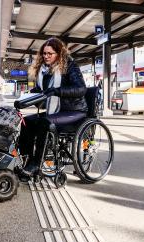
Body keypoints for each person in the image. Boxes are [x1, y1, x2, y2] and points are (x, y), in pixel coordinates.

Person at [14, 37, 88, 176]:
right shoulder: (45, 70)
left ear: (59, 54)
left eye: (50, 53)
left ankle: (36, 165)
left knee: (44, 122)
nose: (46, 56)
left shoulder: (70, 65)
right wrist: (25, 99)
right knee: (26, 122)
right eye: (44, 53)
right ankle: (27, 160)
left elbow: (81, 89)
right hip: (57, 111)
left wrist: (58, 92)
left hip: (74, 110)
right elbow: (41, 90)